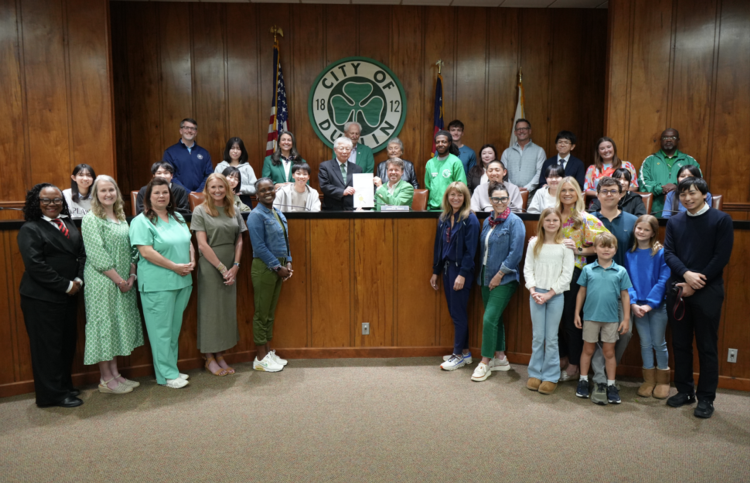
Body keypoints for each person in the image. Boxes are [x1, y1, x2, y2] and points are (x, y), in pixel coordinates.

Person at [664, 177, 733, 419]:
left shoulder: (721, 219)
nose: (688, 198)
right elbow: (669, 253)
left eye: (693, 193)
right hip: (679, 288)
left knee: (706, 347)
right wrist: (686, 275)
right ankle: (685, 391)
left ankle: (706, 398)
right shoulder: (675, 221)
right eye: (683, 194)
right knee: (680, 344)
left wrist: (696, 281)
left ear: (705, 194)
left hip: (708, 290)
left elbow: (721, 256)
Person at [18, 183, 86, 408]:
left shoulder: (67, 223)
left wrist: (77, 279)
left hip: (68, 295)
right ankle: (50, 396)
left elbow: (80, 255)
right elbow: (35, 266)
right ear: (36, 203)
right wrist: (66, 285)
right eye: (45, 200)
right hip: (42, 298)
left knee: (65, 344)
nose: (51, 204)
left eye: (56, 200)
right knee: (47, 348)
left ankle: (62, 387)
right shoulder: (30, 228)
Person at [130, 178, 195, 389]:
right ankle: (166, 375)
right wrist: (175, 267)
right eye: (156, 192)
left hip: (182, 282)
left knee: (173, 330)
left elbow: (188, 241)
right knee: (161, 332)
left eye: (165, 192)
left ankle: (171, 369)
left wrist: (192, 259)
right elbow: (146, 252)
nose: (161, 196)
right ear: (148, 197)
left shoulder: (176, 216)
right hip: (158, 283)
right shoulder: (141, 221)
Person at [81, 175, 143, 395]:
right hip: (103, 280)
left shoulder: (120, 216)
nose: (108, 194)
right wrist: (118, 280)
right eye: (103, 191)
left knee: (116, 325)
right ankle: (105, 379)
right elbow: (97, 255)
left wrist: (132, 276)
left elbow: (131, 248)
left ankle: (115, 373)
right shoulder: (91, 219)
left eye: (111, 190)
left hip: (124, 280)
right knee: (104, 326)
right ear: (96, 194)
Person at [192, 173, 247, 377]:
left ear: (227, 188)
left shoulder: (234, 210)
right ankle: (209, 358)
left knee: (224, 313)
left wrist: (236, 266)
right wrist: (223, 269)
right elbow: (202, 245)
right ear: (207, 189)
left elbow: (239, 240)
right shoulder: (200, 210)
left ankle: (221, 354)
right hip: (211, 267)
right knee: (210, 313)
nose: (217, 191)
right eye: (213, 187)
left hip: (231, 267)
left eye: (220, 187)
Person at [588, 176, 637, 404]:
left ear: (621, 194)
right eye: (604, 190)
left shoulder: (633, 220)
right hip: (595, 289)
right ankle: (601, 380)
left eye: (613, 190)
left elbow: (643, 249)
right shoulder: (589, 220)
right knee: (594, 336)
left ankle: (608, 374)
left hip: (622, 290)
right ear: (597, 195)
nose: (609, 194)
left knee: (623, 333)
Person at [470, 182, 525, 382]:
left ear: (509, 199)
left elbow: (515, 253)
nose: (500, 202)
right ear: (490, 201)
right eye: (496, 199)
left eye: (503, 198)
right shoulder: (487, 221)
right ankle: (501, 357)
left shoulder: (515, 222)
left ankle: (485, 361)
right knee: (496, 318)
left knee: (489, 318)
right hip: (485, 276)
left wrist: (500, 274)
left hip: (505, 278)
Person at [556, 177, 609, 383]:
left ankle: (574, 364)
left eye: (571, 190)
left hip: (574, 274)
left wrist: (578, 249)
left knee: (570, 320)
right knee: (554, 320)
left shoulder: (585, 218)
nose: (567, 193)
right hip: (552, 272)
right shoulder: (553, 216)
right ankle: (561, 357)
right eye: (563, 190)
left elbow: (604, 244)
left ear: (578, 193)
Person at [574, 232, 632, 405]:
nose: (606, 249)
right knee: (588, 350)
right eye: (602, 246)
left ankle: (611, 384)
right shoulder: (587, 269)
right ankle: (583, 380)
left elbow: (625, 295)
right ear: (595, 249)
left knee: (609, 352)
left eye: (610, 246)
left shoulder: (620, 271)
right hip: (591, 317)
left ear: (615, 250)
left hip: (612, 319)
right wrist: (577, 313)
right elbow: (581, 292)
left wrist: (626, 318)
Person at [523, 208, 575, 394]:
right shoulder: (534, 243)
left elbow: (567, 275)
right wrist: (533, 290)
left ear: (560, 223)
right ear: (542, 222)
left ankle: (551, 376)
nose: (551, 223)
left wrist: (550, 294)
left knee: (551, 338)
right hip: (536, 295)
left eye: (555, 220)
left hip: (555, 296)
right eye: (548, 220)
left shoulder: (566, 246)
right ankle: (535, 373)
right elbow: (528, 269)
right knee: (538, 337)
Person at [430, 182, 480, 371]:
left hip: (461, 271)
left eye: (459, 195)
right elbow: (439, 246)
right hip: (447, 270)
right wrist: (436, 270)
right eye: (452, 195)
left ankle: (457, 355)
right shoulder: (444, 217)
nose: (456, 198)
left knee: (458, 313)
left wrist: (462, 274)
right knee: (455, 312)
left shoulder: (470, 219)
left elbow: (471, 251)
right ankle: (465, 352)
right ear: (447, 197)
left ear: (465, 197)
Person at [247, 178, 292, 372]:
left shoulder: (277, 213)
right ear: (256, 195)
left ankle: (267, 351)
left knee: (270, 313)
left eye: (270, 189)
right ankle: (260, 357)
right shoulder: (255, 215)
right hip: (264, 268)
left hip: (280, 266)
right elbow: (258, 247)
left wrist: (288, 261)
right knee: (261, 313)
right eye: (262, 190)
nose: (267, 192)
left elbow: (285, 240)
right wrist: (277, 266)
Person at [626, 215, 671, 399]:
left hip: (657, 305)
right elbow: (626, 280)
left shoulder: (661, 253)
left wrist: (650, 305)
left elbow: (663, 280)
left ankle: (662, 380)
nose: (641, 232)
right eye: (638, 228)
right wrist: (634, 303)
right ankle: (649, 380)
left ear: (653, 232)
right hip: (638, 306)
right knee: (645, 343)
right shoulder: (629, 253)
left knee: (658, 342)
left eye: (646, 229)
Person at [639, 128, 702, 215]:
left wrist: (679, 188)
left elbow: (699, 183)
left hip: (684, 210)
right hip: (655, 211)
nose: (668, 140)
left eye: (673, 137)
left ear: (678, 140)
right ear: (661, 140)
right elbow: (643, 184)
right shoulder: (650, 161)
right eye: (665, 138)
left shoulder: (689, 160)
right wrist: (661, 189)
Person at [162, 118, 213, 192]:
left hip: (201, 195)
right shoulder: (170, 152)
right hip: (178, 195)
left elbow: (209, 175)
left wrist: (198, 192)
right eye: (186, 128)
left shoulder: (204, 153)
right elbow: (169, 175)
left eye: (193, 128)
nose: (189, 131)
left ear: (196, 132)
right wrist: (187, 192)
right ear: (181, 131)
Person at [424, 130, 467, 210]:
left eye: (444, 142)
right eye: (438, 142)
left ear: (449, 143)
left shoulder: (455, 161)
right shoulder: (430, 163)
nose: (440, 144)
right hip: (432, 208)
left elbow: (461, 186)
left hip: (451, 208)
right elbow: (427, 186)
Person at [500, 119, 546, 192]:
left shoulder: (539, 151)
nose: (521, 131)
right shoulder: (507, 152)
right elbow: (503, 173)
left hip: (531, 196)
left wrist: (526, 189)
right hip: (510, 194)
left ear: (530, 131)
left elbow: (540, 173)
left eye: (524, 128)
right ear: (515, 132)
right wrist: (513, 188)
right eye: (518, 129)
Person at [319, 136, 363, 211]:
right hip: (332, 209)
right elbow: (324, 186)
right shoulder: (325, 166)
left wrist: (362, 204)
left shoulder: (357, 169)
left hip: (351, 209)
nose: (344, 152)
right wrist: (342, 191)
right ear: (335, 150)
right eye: (341, 148)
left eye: (347, 149)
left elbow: (361, 189)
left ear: (351, 150)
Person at [215, 137, 257, 206]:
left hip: (244, 200)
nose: (235, 151)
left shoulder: (247, 167)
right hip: (223, 200)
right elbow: (214, 185)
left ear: (242, 151)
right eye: (232, 148)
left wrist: (238, 189)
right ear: (228, 150)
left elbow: (255, 188)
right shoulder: (220, 167)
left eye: (238, 148)